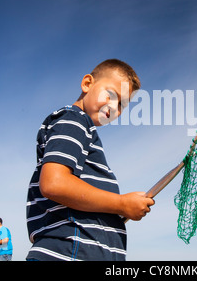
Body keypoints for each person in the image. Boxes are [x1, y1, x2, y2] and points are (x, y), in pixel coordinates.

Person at [26, 59, 155, 261]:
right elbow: (54, 183)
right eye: (111, 95)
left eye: (122, 104)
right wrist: (121, 204)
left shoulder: (82, 127)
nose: (114, 107)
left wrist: (114, 215)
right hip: (68, 253)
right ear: (87, 84)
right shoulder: (74, 120)